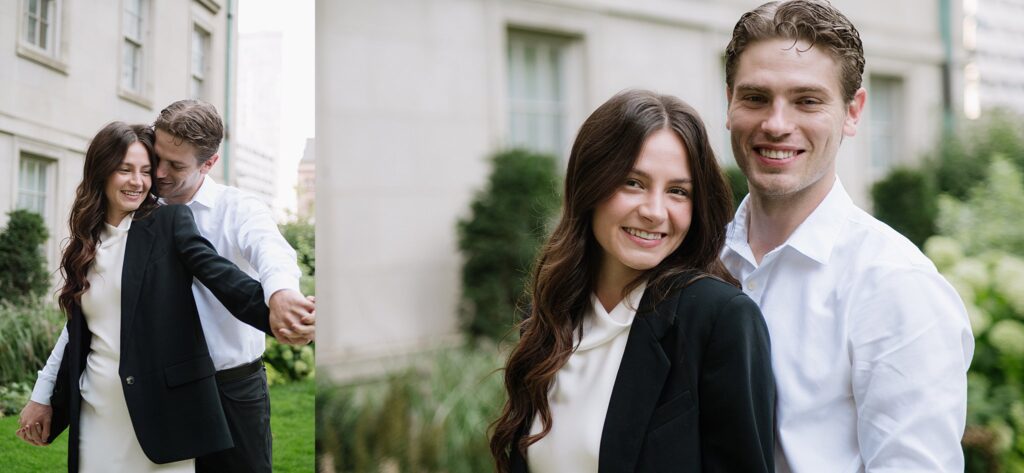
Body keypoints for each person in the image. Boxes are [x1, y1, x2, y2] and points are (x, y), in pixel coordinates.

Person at [720, 1, 974, 471]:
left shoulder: (895, 285)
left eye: (807, 101)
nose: (776, 124)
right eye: (756, 97)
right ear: (730, 103)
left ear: (853, 112)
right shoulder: (699, 257)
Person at [17, 100, 314, 473]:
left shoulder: (236, 208)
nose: (156, 175)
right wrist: (43, 394)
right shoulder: (131, 217)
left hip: (230, 387)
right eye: (156, 158)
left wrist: (281, 299)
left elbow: (270, 254)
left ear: (208, 163)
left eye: (174, 166)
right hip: (157, 391)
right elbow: (92, 319)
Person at [489, 89, 775, 473]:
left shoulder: (717, 319)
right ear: (590, 185)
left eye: (677, 191)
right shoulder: (552, 313)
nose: (655, 212)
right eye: (633, 183)